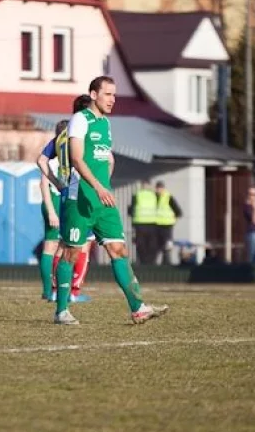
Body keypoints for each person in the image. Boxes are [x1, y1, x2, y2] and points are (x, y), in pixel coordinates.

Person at [54, 76, 169, 325]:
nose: (112, 99)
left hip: (102, 202)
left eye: (114, 95)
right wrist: (97, 186)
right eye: (107, 94)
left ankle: (137, 307)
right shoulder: (80, 120)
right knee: (70, 253)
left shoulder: (105, 124)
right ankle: (61, 311)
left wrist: (106, 183)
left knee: (118, 250)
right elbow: (76, 158)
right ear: (94, 95)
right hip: (80, 199)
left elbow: (105, 160)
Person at [43, 94, 95, 303]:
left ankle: (55, 289)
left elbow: (40, 160)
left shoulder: (60, 137)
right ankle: (73, 291)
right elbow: (106, 160)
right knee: (83, 245)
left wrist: (56, 182)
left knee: (62, 244)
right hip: (81, 193)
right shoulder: (86, 134)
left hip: (65, 193)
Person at [36, 120, 69, 300]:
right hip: (53, 201)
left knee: (59, 245)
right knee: (51, 244)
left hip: (59, 201)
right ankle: (49, 291)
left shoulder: (63, 154)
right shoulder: (54, 156)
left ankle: (54, 288)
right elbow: (43, 184)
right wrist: (51, 211)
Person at [153, 180, 182, 264]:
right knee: (157, 245)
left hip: (167, 225)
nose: (159, 190)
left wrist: (173, 220)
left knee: (167, 245)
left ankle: (166, 262)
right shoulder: (154, 197)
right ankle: (155, 262)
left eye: (160, 188)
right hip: (157, 225)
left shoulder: (168, 197)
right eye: (158, 188)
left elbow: (178, 212)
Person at [128, 180, 157, 264]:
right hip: (152, 223)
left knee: (140, 244)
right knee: (151, 244)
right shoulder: (154, 195)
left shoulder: (137, 195)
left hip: (139, 223)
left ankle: (143, 261)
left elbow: (131, 209)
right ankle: (150, 262)